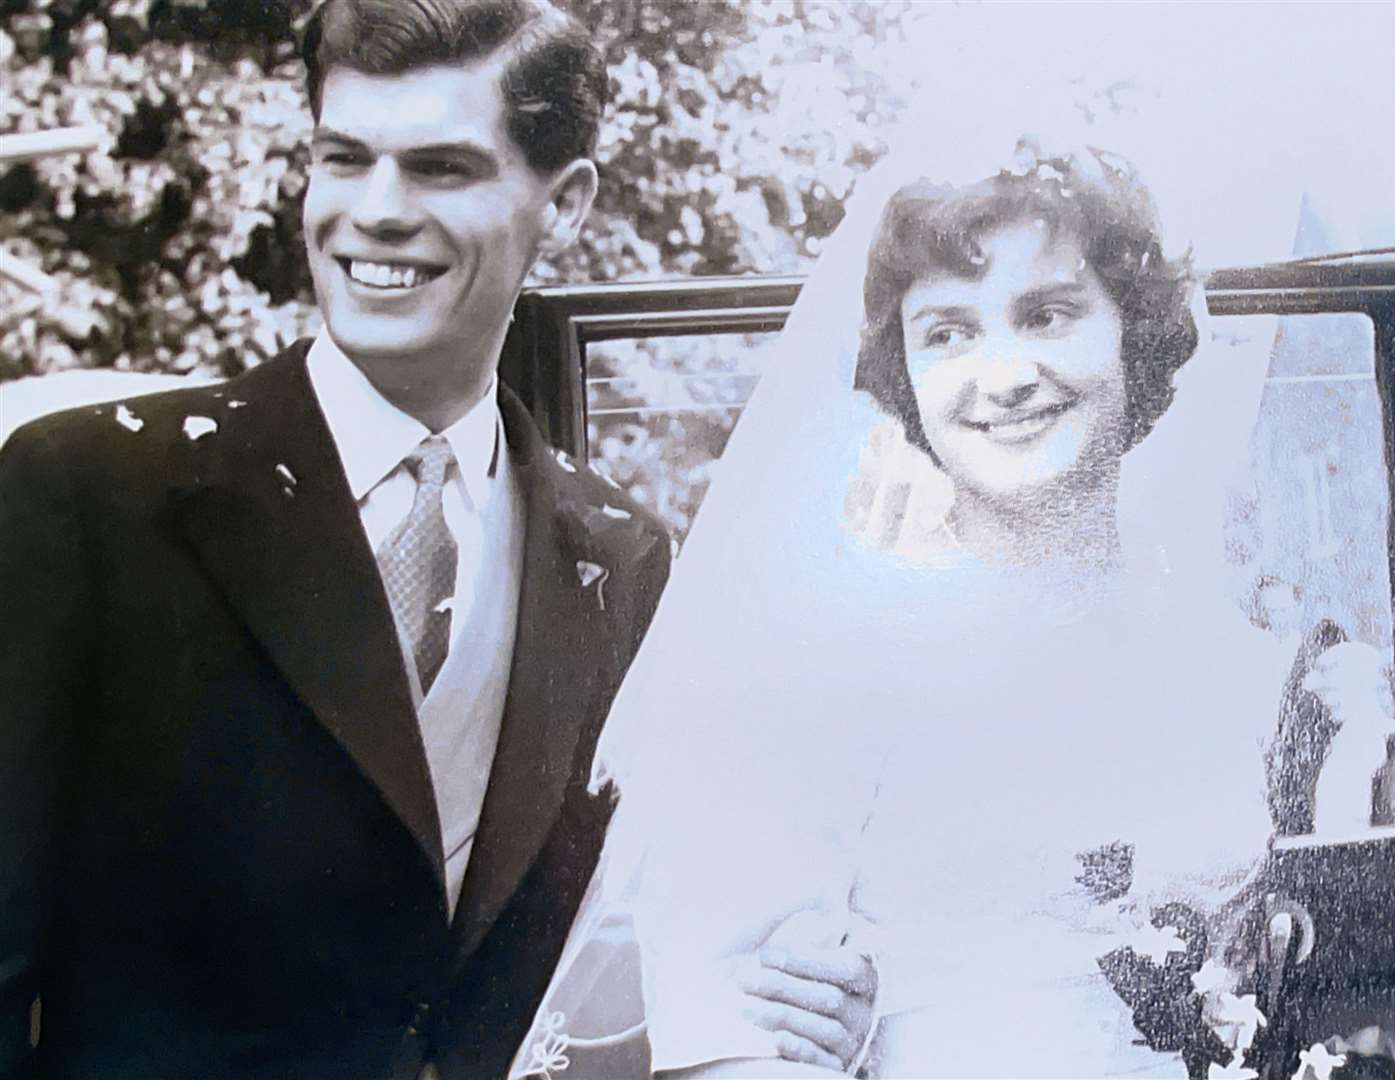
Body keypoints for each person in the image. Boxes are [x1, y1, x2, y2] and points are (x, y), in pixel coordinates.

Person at [531, 101, 1308, 1078]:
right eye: (946, 332)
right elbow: (721, 1040)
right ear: (902, 372)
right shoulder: (812, 668)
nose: (1000, 375)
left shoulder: (1209, 650)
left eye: (1046, 314)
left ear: (1133, 333)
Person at [0, 3, 673, 1076]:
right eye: (343, 158)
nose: (375, 212)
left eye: (441, 168)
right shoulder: (90, 495)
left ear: (569, 203)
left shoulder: (623, 560)